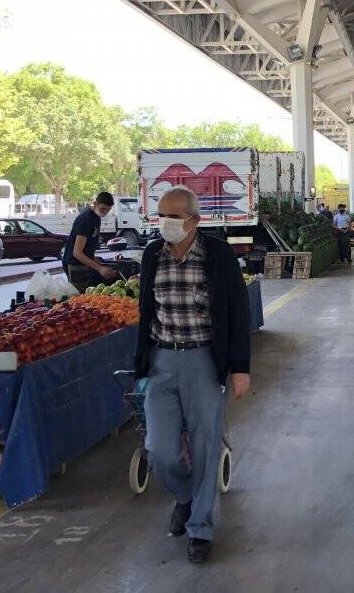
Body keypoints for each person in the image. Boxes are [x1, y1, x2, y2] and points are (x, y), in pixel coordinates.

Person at [134, 186, 251, 564]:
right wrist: (144, 360)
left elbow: (237, 311)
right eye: (161, 215)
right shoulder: (153, 254)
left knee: (205, 447)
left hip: (204, 361)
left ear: (194, 220)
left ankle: (200, 526)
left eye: (173, 216)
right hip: (163, 361)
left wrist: (240, 369)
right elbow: (145, 311)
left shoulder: (217, 255)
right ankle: (184, 497)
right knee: (160, 450)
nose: (164, 223)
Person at [62, 191, 117, 291]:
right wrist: (100, 268)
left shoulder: (96, 217)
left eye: (108, 210)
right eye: (103, 209)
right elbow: (77, 253)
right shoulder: (86, 219)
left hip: (83, 263)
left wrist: (99, 263)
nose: (105, 212)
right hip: (75, 264)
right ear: (95, 204)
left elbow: (87, 248)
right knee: (80, 298)